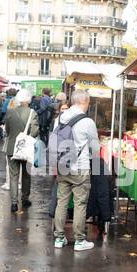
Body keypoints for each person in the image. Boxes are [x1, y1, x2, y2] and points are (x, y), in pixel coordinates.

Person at [51, 89, 100, 251]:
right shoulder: (88, 122)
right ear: (85, 102)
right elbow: (95, 148)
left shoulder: (60, 118)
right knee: (80, 203)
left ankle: (59, 238)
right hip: (80, 167)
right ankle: (79, 240)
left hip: (62, 166)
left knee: (62, 201)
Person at [5, 90, 38, 213]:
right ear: (29, 100)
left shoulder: (10, 111)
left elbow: (7, 129)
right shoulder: (32, 113)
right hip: (26, 148)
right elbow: (34, 132)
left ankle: (14, 203)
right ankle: (25, 199)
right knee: (26, 175)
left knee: (13, 175)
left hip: (12, 147)